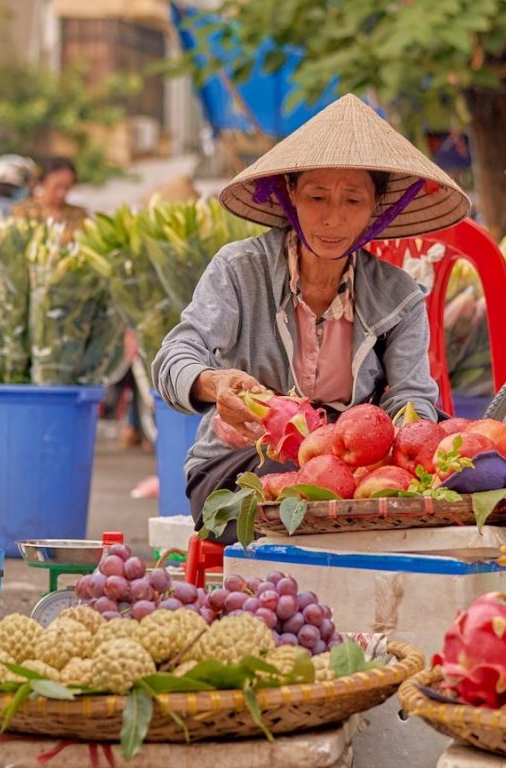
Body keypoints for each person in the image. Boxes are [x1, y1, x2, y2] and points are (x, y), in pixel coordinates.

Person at [152, 93, 470, 542]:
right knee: (302, 481)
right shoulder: (240, 269)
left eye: (352, 201)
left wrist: (403, 452)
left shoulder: (398, 296)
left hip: (351, 486)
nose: (332, 218)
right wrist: (215, 384)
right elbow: (174, 356)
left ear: (376, 209)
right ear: (290, 196)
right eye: (317, 196)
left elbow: (411, 400)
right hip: (238, 476)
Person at [10, 156, 87, 239]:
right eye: (57, 187)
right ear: (43, 182)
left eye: (67, 187)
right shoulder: (23, 210)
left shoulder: (79, 215)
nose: (61, 193)